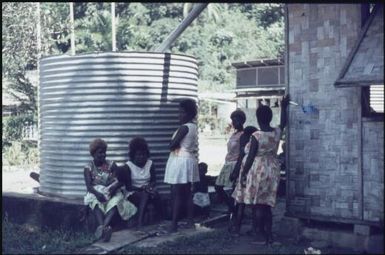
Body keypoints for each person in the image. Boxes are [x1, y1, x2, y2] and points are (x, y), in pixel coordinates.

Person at [231, 95, 290, 245]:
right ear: (270, 117)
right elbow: (283, 122)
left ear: (257, 118)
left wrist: (243, 174)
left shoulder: (256, 136)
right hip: (272, 169)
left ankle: (259, 236)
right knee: (267, 205)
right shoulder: (276, 132)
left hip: (258, 170)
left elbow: (250, 158)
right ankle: (269, 235)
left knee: (257, 205)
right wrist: (284, 107)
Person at [83, 138, 137, 242]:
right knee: (95, 203)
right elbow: (89, 186)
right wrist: (98, 194)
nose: (103, 155)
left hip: (111, 191)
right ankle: (104, 229)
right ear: (93, 154)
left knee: (116, 202)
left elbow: (121, 180)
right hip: (96, 191)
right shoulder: (88, 167)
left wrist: (113, 189)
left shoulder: (111, 164)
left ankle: (102, 228)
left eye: (104, 152)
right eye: (100, 153)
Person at [163, 98, 199, 232]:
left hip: (180, 160)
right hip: (188, 159)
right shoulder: (194, 127)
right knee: (187, 193)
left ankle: (174, 224)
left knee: (177, 193)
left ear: (189, 113)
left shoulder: (184, 127)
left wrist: (172, 143)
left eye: (182, 112)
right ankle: (190, 221)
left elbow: (172, 146)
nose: (180, 115)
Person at [120, 137, 163, 228]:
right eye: (138, 155)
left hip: (147, 189)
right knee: (145, 195)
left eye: (143, 154)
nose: (141, 157)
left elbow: (154, 181)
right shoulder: (128, 166)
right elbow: (128, 187)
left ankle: (160, 219)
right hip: (133, 193)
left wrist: (149, 187)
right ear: (133, 155)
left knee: (155, 194)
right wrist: (142, 188)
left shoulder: (150, 163)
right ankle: (140, 222)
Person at [215, 109, 246, 213]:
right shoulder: (234, 134)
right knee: (218, 187)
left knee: (234, 190)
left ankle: (234, 212)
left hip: (235, 164)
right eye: (232, 120)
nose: (233, 123)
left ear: (242, 121)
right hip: (227, 163)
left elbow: (242, 154)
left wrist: (237, 170)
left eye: (235, 120)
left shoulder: (243, 135)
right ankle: (232, 208)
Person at [228, 125, 258, 230]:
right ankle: (253, 228)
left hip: (245, 178)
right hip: (251, 179)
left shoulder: (246, 149)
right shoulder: (253, 148)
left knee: (240, 204)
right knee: (253, 205)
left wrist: (236, 174)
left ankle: (237, 227)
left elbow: (240, 162)